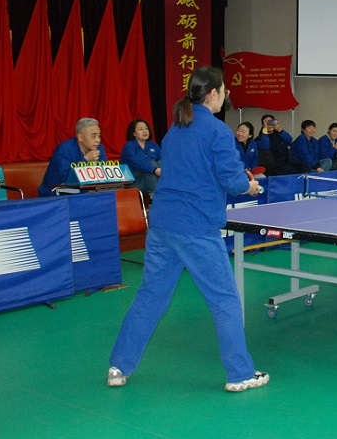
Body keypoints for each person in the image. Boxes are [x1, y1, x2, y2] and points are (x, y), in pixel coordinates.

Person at [108, 66, 268, 393]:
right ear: (213, 93)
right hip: (196, 227)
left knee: (151, 297)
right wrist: (249, 186)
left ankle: (118, 366)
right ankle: (240, 373)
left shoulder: (175, 130)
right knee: (224, 300)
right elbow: (232, 180)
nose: (225, 96)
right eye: (224, 91)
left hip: (163, 226)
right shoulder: (218, 131)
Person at [38, 118, 107, 197]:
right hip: (55, 194)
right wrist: (85, 159)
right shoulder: (64, 150)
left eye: (99, 136)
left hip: (86, 192)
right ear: (80, 137)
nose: (98, 140)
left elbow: (103, 176)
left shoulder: (99, 148)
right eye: (93, 136)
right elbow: (66, 180)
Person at [121, 119, 161, 197]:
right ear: (134, 133)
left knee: (161, 163)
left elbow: (161, 159)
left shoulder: (153, 145)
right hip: (134, 180)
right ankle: (155, 196)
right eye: (141, 129)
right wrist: (154, 169)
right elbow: (137, 162)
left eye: (146, 128)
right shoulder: (129, 146)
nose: (145, 131)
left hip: (151, 179)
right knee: (151, 164)